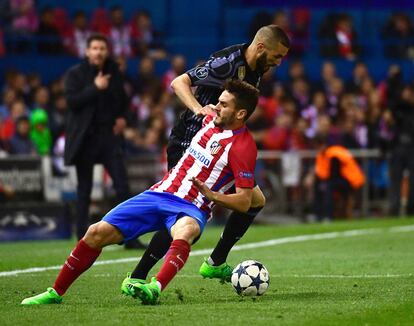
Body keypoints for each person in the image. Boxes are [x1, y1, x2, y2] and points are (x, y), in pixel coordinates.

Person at [21, 79, 260, 305]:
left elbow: (244, 202)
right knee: (95, 232)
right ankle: (55, 292)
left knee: (185, 231)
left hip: (192, 207)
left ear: (240, 114)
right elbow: (178, 84)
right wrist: (200, 107)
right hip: (159, 194)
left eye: (223, 104)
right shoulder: (210, 118)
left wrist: (213, 196)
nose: (216, 107)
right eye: (218, 101)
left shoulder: (243, 147)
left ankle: (154, 288)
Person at [123, 24, 290, 288]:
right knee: (179, 215)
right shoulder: (226, 64)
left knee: (254, 200)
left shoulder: (258, 69)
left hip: (219, 147)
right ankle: (138, 276)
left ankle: (215, 263)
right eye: (277, 56)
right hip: (191, 144)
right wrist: (200, 109)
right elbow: (179, 82)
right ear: (260, 47)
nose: (279, 62)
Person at [63, 34, 143, 248]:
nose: (98, 52)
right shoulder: (75, 74)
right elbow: (71, 102)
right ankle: (82, 237)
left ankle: (130, 237)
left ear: (107, 51)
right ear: (87, 51)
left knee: (122, 186)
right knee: (84, 190)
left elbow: (125, 103)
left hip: (108, 136)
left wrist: (123, 118)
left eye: (102, 48)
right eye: (94, 48)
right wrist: (95, 88)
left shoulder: (114, 73)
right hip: (85, 138)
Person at [313, 134, 365, 221]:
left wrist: (323, 182)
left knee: (328, 187)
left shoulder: (333, 154)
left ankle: (328, 215)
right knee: (318, 186)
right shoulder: (327, 153)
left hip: (352, 180)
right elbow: (322, 172)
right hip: (343, 179)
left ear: (323, 145)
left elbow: (335, 174)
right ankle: (318, 215)